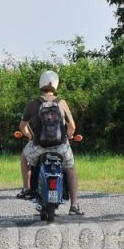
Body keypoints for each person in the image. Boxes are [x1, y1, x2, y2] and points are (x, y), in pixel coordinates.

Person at [17, 70, 83, 216]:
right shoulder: (62, 103)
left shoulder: (32, 104)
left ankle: (27, 189)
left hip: (39, 146)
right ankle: (74, 205)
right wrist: (68, 136)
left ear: (41, 84)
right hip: (61, 146)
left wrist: (29, 136)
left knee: (24, 158)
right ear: (55, 85)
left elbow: (22, 127)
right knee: (70, 168)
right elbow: (72, 127)